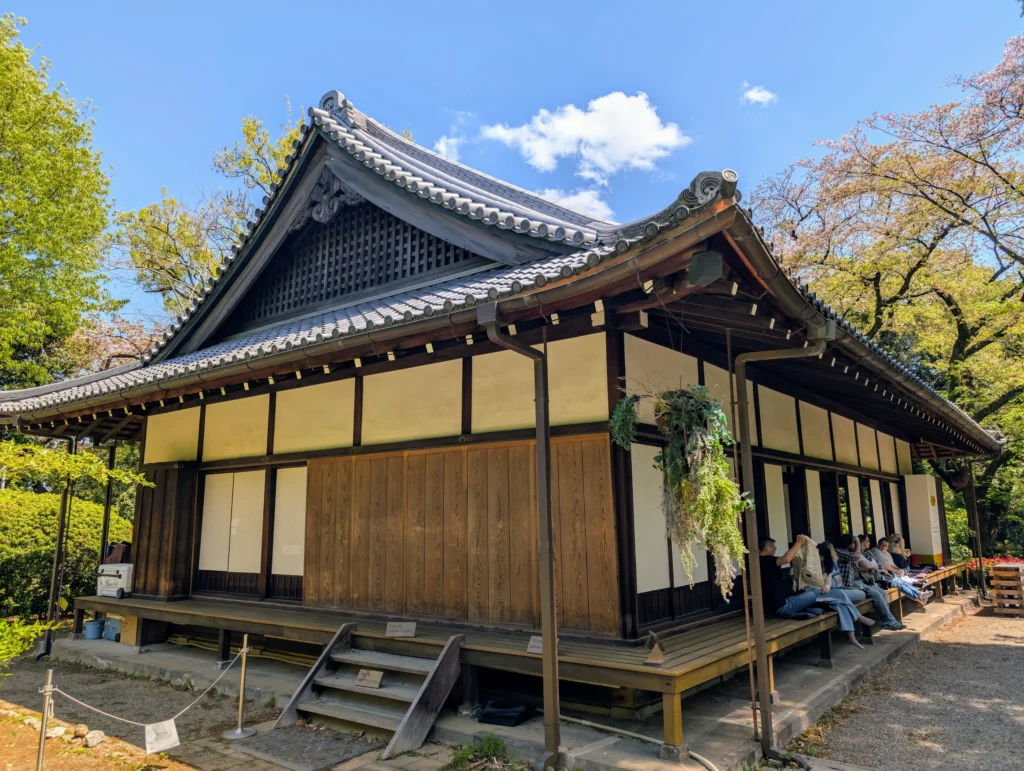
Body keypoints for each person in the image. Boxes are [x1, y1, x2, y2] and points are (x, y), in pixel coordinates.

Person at [809, 542, 874, 649]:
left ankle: (852, 636)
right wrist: (827, 587)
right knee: (841, 596)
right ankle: (858, 617)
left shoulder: (829, 564)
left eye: (822, 556)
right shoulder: (812, 567)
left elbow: (831, 582)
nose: (820, 558)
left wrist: (828, 586)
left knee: (842, 603)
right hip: (820, 595)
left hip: (833, 594)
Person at [834, 535, 906, 630]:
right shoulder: (839, 551)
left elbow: (854, 568)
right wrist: (858, 542)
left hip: (859, 580)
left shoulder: (849, 553)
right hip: (850, 584)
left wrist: (868, 570)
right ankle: (889, 621)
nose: (855, 545)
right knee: (876, 594)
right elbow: (856, 555)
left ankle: (887, 621)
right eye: (853, 543)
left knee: (882, 592)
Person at [758, 535, 823, 619]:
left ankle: (805, 610)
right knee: (812, 594)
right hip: (781, 607)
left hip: (769, 608)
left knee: (806, 595)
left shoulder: (757, 562)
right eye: (774, 548)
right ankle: (796, 611)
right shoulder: (766, 560)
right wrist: (799, 542)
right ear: (767, 548)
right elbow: (786, 559)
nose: (775, 551)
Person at [872, 538, 933, 606]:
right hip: (884, 576)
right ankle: (918, 597)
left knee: (903, 582)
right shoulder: (875, 551)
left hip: (891, 573)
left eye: (886, 545)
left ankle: (919, 594)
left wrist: (898, 570)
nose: (884, 547)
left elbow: (892, 564)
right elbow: (885, 565)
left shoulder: (886, 553)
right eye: (882, 545)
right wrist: (896, 571)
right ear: (878, 544)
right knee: (900, 584)